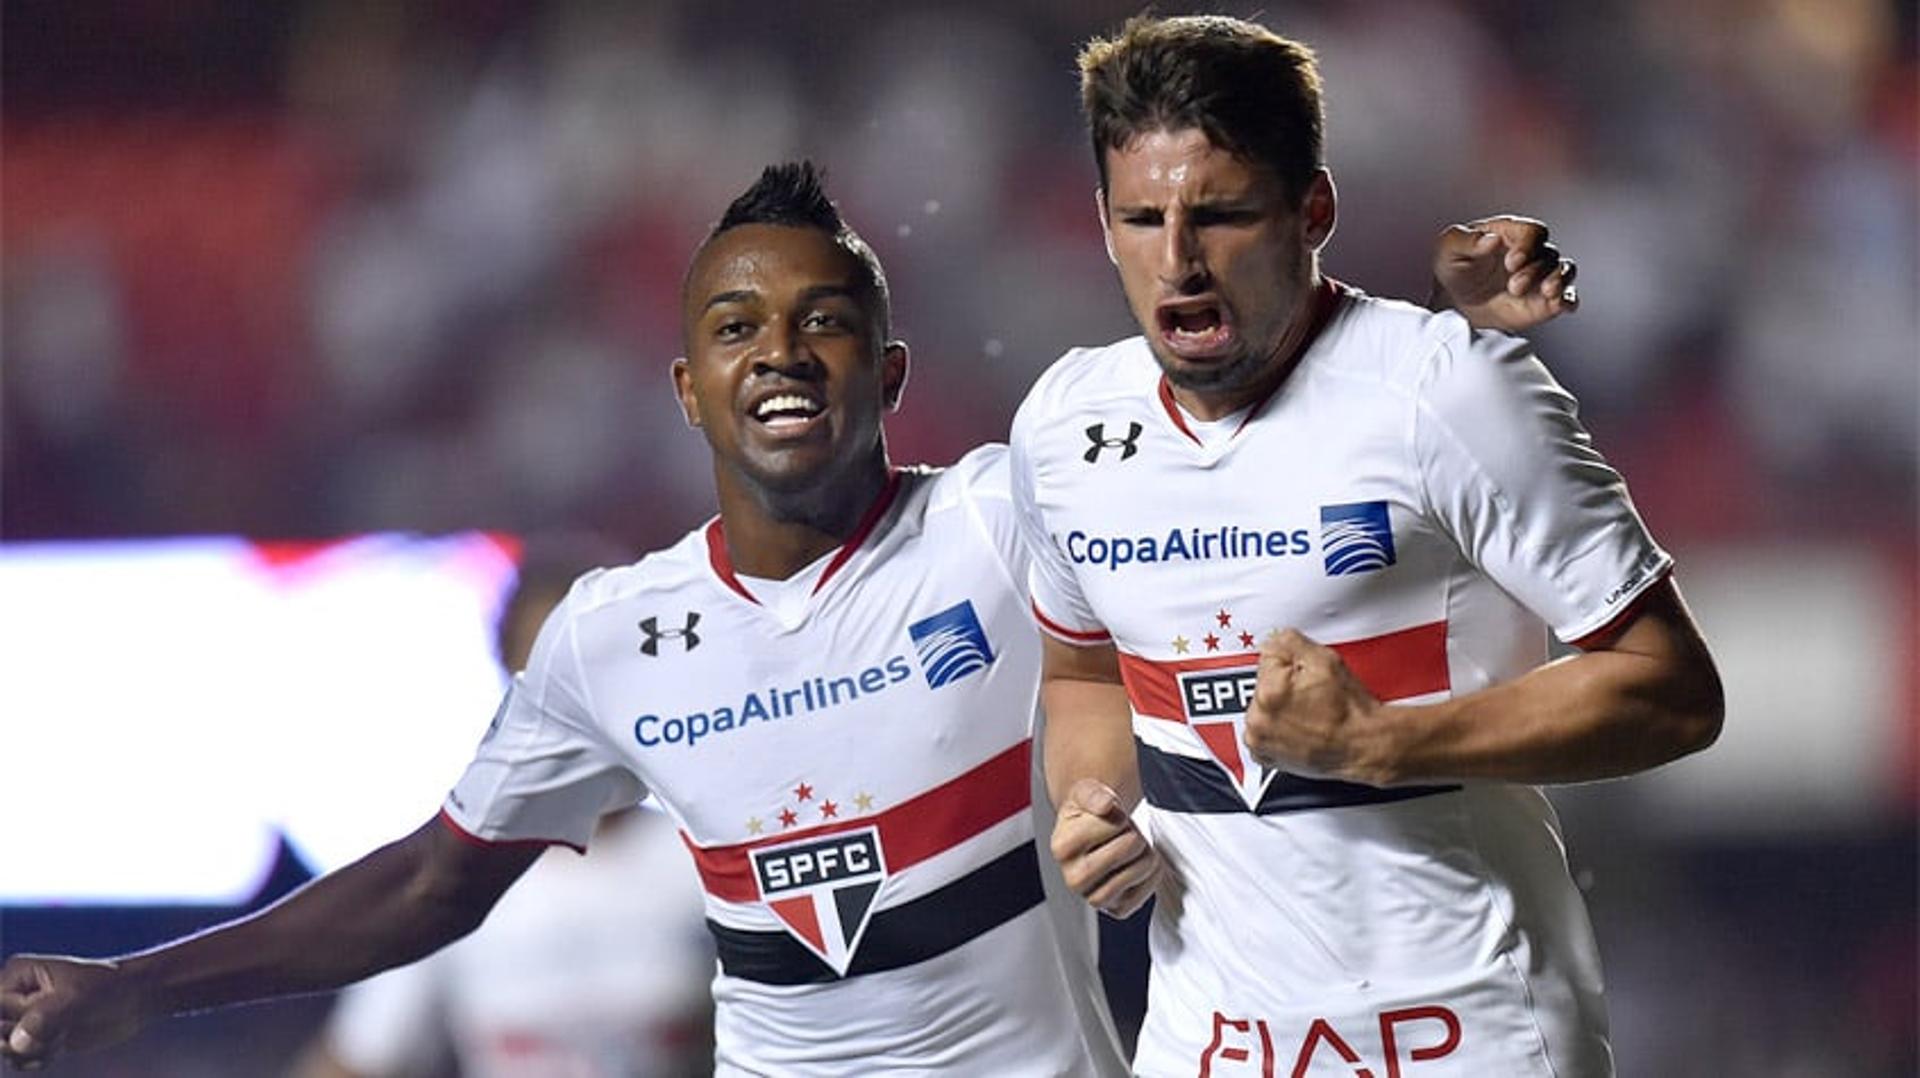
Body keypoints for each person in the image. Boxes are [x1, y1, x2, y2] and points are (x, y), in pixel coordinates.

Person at [0, 161, 1578, 1074]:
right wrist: (132, 987)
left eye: (829, 322)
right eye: (740, 325)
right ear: (687, 382)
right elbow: (429, 882)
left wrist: (1442, 332)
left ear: (887, 375)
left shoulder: (1003, 515)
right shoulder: (611, 640)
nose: (786, 352)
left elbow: (1235, 415)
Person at [1014, 15, 1723, 1078]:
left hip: (1465, 1033)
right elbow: (1080, 671)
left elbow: (1671, 686)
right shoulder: (1065, 428)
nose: (1179, 261)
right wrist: (1090, 802)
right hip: (1209, 1044)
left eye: (1221, 214)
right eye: (1142, 218)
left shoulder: (1451, 393)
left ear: (1314, 211)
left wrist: (1384, 742)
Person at [294, 537, 715, 1078]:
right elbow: (360, 1057)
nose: (574, 695)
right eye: (545, 672)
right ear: (511, 682)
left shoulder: (703, 858)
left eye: (594, 664)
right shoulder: (454, 875)